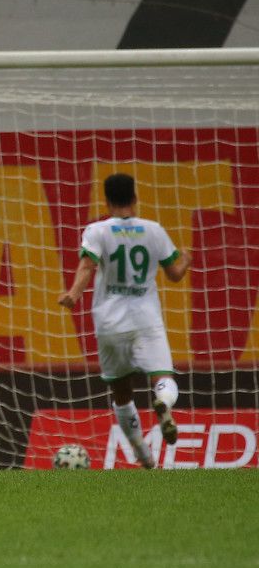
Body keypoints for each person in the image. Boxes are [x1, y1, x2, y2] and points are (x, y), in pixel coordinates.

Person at [58, 173, 190, 468]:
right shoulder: (153, 230)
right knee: (162, 378)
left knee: (121, 393)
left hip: (109, 322)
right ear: (134, 198)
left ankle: (145, 457)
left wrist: (73, 294)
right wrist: (186, 259)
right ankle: (163, 404)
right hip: (146, 318)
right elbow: (175, 274)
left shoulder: (97, 230)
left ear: (106, 201)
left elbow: (87, 265)